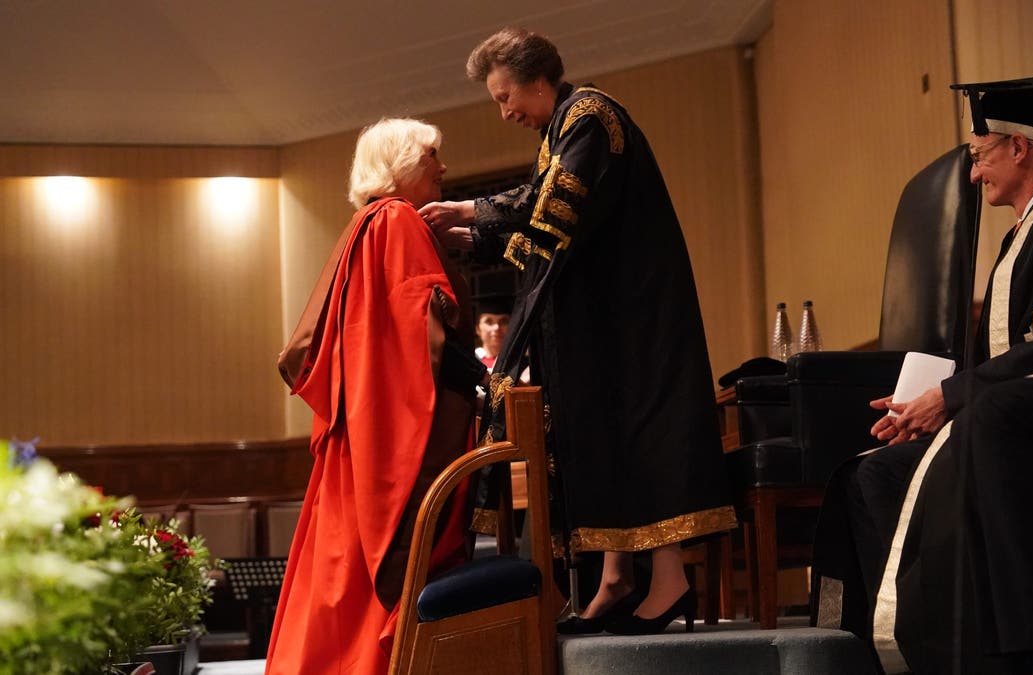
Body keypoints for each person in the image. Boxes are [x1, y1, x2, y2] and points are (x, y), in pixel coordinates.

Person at [419, 27, 737, 635]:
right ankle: (615, 578)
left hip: (634, 315)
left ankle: (666, 583)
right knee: (605, 435)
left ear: (536, 79)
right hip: (605, 315)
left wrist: (470, 212)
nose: (504, 110)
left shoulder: (589, 115)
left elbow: (554, 206)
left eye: (504, 95)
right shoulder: (560, 129)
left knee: (635, 432)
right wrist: (474, 235)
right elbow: (546, 224)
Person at [809, 76, 1033, 673]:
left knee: (874, 481)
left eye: (980, 156)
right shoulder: (1026, 228)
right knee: (860, 475)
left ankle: (941, 657)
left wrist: (951, 397)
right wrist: (932, 395)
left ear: (1019, 148)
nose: (975, 174)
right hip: (994, 405)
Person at [266, 118, 484, 674]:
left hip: (362, 429)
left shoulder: (366, 224)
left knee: (341, 568)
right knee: (379, 565)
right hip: (390, 431)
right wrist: (485, 385)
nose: (442, 166)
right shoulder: (397, 219)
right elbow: (421, 324)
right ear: (400, 163)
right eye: (432, 154)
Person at [473, 293, 512, 372]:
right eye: (489, 322)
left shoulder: (522, 363)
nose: (497, 327)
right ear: (478, 329)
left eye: (503, 321)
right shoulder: (471, 360)